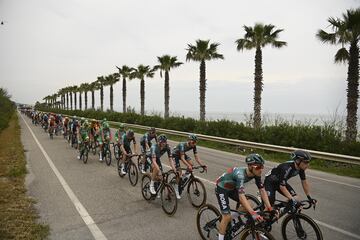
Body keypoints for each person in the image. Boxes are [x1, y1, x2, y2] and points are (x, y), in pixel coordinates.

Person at [215, 153, 272, 240]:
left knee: (249, 205)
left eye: (262, 167)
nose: (261, 170)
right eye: (258, 167)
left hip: (232, 188)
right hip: (222, 188)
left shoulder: (256, 174)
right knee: (226, 217)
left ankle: (232, 218)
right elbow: (241, 196)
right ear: (250, 167)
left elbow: (262, 190)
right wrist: (253, 213)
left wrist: (269, 207)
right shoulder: (240, 175)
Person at [171, 134, 206, 199]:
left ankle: (183, 177)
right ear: (189, 141)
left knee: (191, 164)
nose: (195, 143)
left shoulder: (194, 146)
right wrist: (188, 166)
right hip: (174, 155)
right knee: (180, 172)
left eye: (196, 142)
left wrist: (202, 165)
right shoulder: (182, 145)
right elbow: (182, 158)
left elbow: (196, 157)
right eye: (193, 142)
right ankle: (176, 187)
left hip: (182, 154)